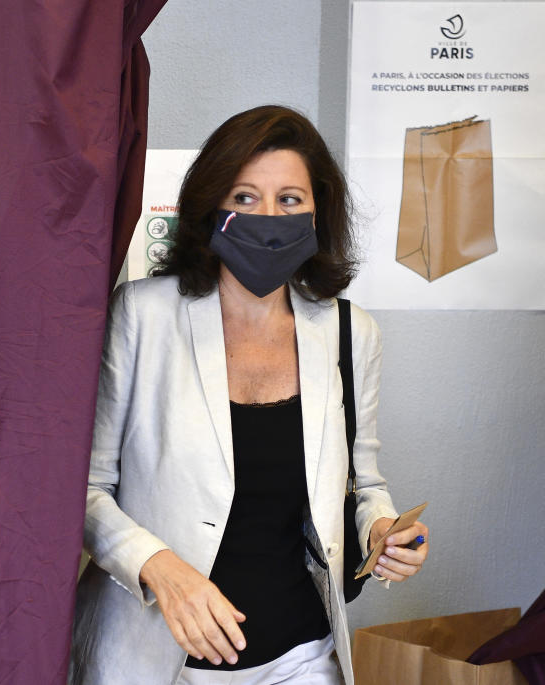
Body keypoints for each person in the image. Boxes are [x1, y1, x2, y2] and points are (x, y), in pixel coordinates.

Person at [70, 105, 429, 685]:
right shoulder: (142, 315)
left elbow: (366, 483)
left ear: (318, 212)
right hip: (156, 660)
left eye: (289, 200)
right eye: (244, 197)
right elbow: (84, 490)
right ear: (211, 207)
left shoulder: (349, 331)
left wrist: (382, 532)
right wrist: (160, 569)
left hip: (301, 657)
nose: (268, 217)